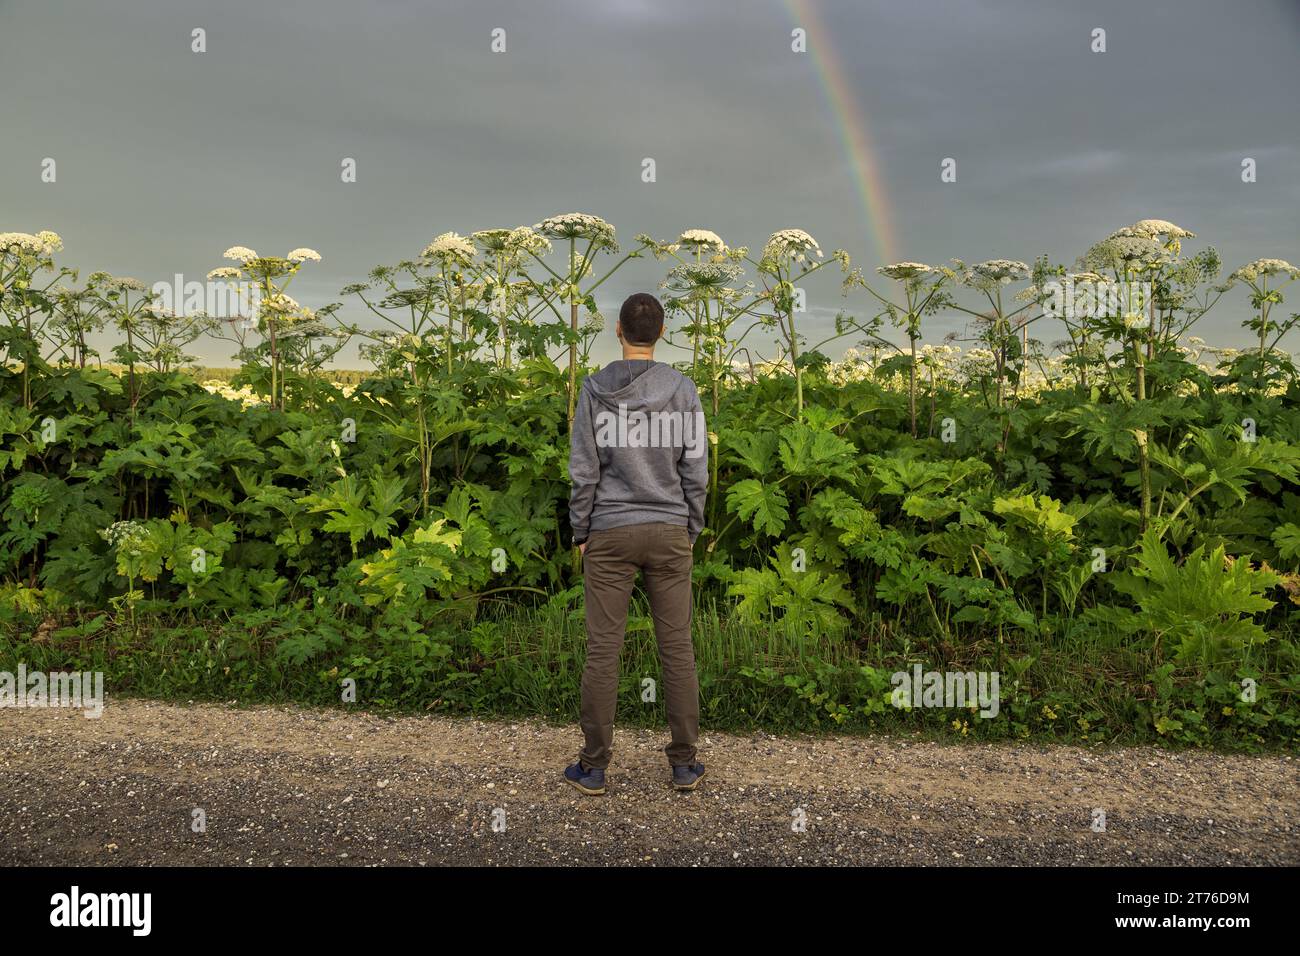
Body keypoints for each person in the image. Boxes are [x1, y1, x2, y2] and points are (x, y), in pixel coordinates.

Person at [564, 292, 708, 795]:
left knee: (604, 648)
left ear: (618, 331)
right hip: (669, 528)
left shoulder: (594, 389)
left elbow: (583, 469)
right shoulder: (683, 389)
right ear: (662, 333)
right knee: (677, 646)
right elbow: (696, 467)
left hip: (608, 530)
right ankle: (684, 764)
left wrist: (580, 529)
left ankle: (594, 766)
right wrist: (690, 526)